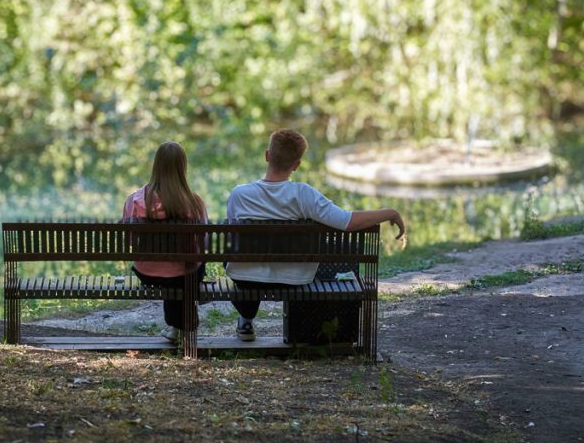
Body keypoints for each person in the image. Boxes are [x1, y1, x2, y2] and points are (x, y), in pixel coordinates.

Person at [226, 128, 406, 341]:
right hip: (294, 278)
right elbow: (346, 221)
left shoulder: (240, 194)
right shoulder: (304, 194)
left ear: (267, 156)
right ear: (296, 165)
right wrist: (389, 212)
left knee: (243, 257)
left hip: (247, 278)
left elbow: (234, 238)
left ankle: (246, 319)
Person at [122, 141, 208, 342]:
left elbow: (131, 240)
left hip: (148, 273)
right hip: (185, 274)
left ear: (156, 166)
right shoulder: (194, 203)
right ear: (182, 168)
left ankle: (177, 329)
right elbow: (204, 242)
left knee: (173, 269)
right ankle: (184, 328)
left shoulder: (135, 201)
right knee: (185, 269)